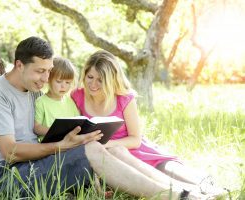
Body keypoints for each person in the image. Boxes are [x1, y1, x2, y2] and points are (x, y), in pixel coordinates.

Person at [0, 36, 206, 199]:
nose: (46, 79)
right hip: (8, 177)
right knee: (92, 149)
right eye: (40, 71)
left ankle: (179, 188)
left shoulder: (32, 91)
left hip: (35, 165)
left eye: (48, 71)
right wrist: (61, 146)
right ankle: (172, 197)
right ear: (19, 65)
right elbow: (10, 152)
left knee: (113, 149)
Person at [71, 50, 226, 198]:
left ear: (111, 80)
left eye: (100, 80)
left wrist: (106, 143)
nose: (93, 84)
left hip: (137, 151)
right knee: (158, 180)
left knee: (174, 171)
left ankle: (212, 189)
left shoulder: (124, 98)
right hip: (113, 158)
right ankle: (188, 194)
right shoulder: (77, 97)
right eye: (90, 77)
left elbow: (135, 139)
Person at [33, 57, 79, 140]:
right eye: (58, 81)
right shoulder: (41, 102)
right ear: (49, 79)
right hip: (50, 146)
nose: (63, 86)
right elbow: (37, 128)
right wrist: (56, 131)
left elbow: (78, 123)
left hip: (70, 143)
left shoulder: (70, 101)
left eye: (67, 82)